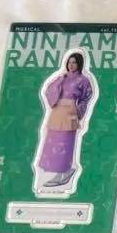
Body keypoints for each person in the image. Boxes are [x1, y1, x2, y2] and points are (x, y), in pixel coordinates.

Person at [36, 52, 94, 189]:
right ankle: (51, 170)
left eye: (74, 62)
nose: (71, 65)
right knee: (52, 141)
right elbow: (48, 91)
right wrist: (58, 83)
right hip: (57, 111)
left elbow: (86, 97)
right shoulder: (61, 78)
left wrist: (78, 112)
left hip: (70, 112)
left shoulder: (83, 80)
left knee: (65, 143)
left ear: (79, 64)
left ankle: (64, 171)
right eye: (69, 62)